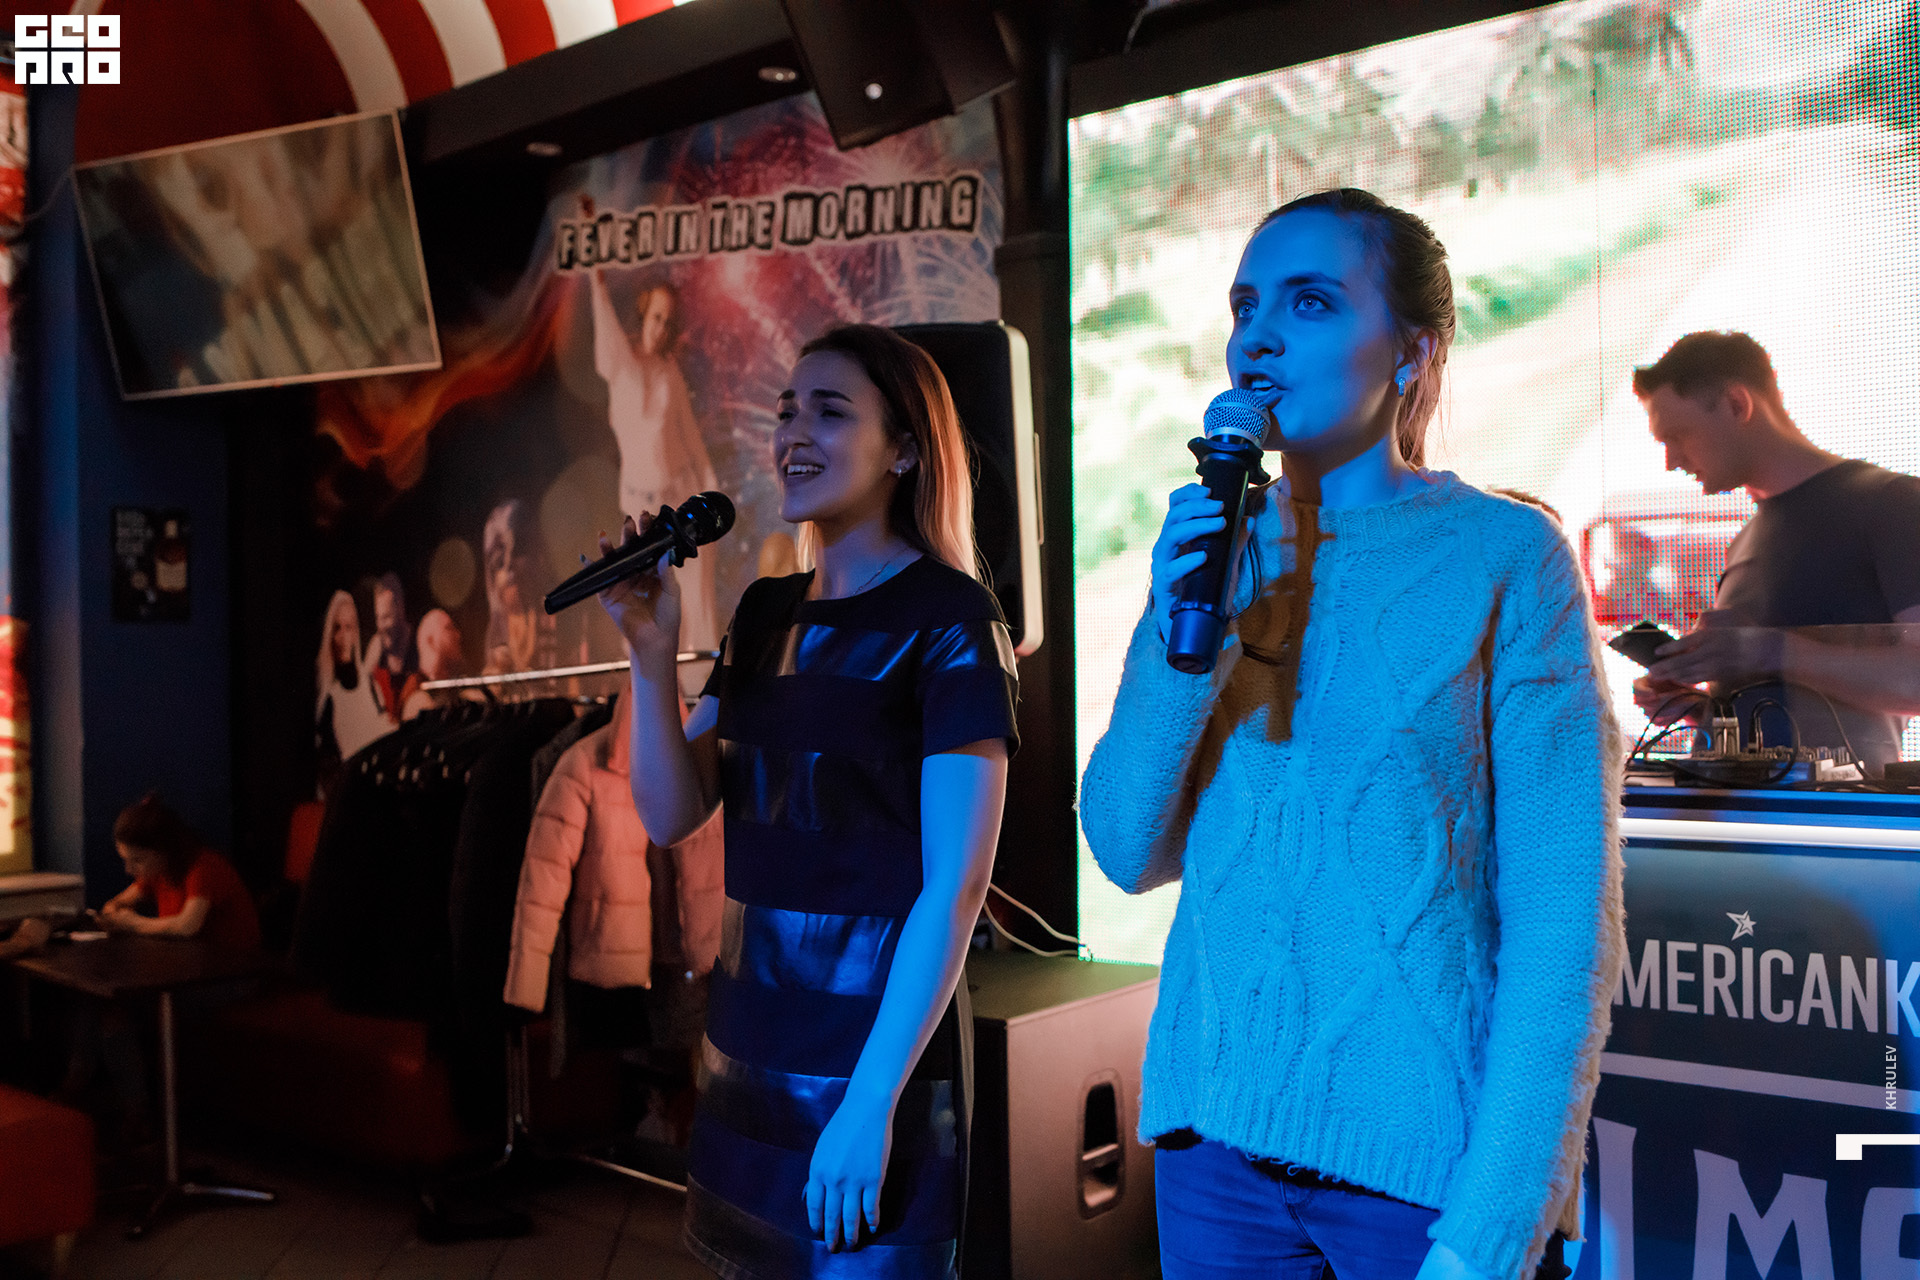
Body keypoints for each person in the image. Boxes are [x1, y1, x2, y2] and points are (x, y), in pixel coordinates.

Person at [1080, 189, 1623, 1280]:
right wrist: (1182, 638)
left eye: (1312, 301)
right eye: (1245, 306)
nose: (1258, 337)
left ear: (1414, 353)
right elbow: (1127, 848)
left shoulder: (1506, 558)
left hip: (1423, 1183)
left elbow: (1565, 925)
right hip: (1211, 1158)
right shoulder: (1215, 556)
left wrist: (1496, 1224)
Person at [597, 324, 1017, 1278]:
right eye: (788, 410)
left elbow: (955, 889)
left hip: (875, 1059)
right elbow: (669, 814)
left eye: (830, 412)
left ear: (904, 450)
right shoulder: (763, 614)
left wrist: (869, 1106)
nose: (794, 432)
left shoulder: (952, 620)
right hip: (747, 1051)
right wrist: (649, 656)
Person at [1630, 331, 1920, 768]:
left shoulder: (1892, 503)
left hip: (1830, 809)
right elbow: (1793, 710)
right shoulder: (1747, 537)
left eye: (1679, 435)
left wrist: (1770, 651)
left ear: (1737, 404)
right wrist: (1699, 708)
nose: (1671, 460)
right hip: (1734, 804)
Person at [582, 195, 723, 695]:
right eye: (655, 316)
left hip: (682, 498)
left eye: (668, 320)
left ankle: (701, 700)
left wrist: (711, 496)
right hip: (641, 510)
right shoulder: (620, 368)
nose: (660, 327)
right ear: (643, 314)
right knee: (646, 607)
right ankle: (656, 704)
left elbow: (690, 439)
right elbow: (600, 303)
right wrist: (593, 247)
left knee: (699, 609)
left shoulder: (669, 374)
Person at [99, 793, 261, 951]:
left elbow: (187, 926)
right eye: (125, 860)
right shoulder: (156, 871)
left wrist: (133, 923)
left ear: (164, 851)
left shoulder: (203, 868)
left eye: (138, 860)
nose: (128, 870)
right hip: (191, 958)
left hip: (235, 961)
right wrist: (113, 913)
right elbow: (118, 902)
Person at [315, 588, 387, 793]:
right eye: (337, 628)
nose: (343, 636)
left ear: (356, 632)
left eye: (349, 627)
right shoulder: (328, 698)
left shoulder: (369, 686)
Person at [366, 572, 419, 725]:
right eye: (378, 618)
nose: (381, 627)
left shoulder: (417, 644)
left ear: (400, 609)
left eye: (386, 617)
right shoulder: (376, 652)